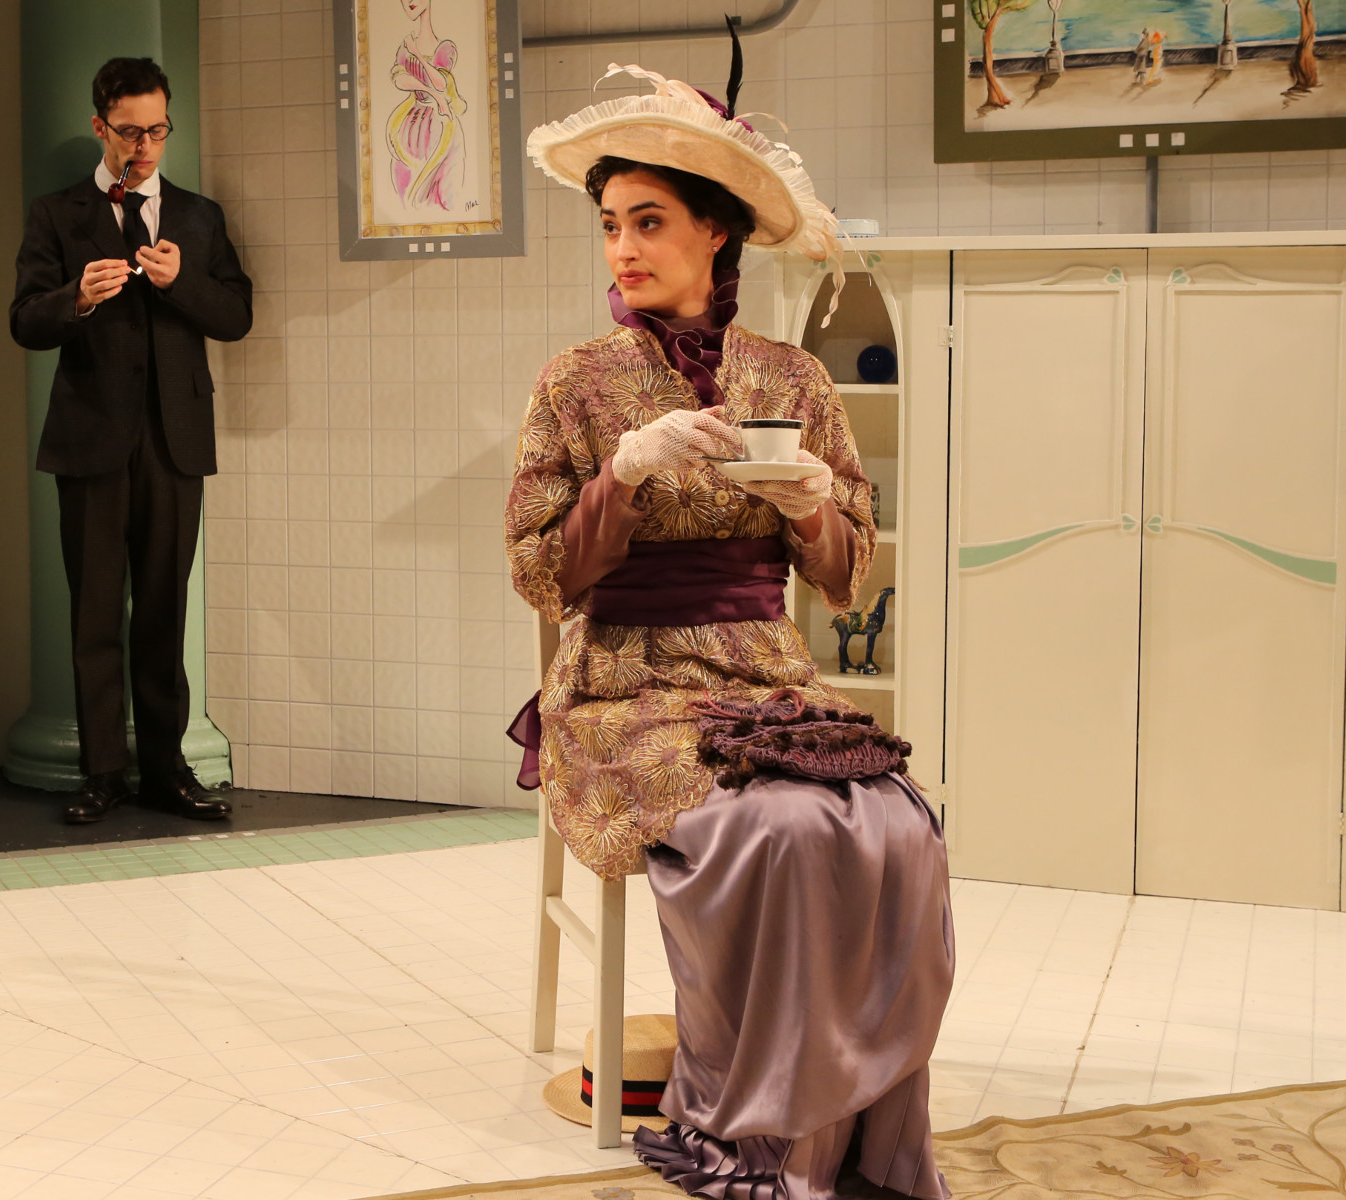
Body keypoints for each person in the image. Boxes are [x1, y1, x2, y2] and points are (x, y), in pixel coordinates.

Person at [509, 61, 955, 1200]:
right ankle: (754, 1115)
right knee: (774, 828)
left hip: (764, 674)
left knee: (895, 823)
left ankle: (844, 1109)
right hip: (621, 683)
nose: (622, 248)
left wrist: (810, 504)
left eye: (648, 222)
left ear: (717, 232)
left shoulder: (793, 379)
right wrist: (618, 474)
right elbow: (537, 573)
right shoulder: (575, 384)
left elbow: (846, 575)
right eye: (610, 225)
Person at [10, 57, 252, 824]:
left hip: (175, 441)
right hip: (88, 441)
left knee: (162, 612)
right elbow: (24, 321)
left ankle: (166, 771)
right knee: (93, 617)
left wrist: (183, 282)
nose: (144, 146)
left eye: (157, 130)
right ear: (100, 127)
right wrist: (75, 299)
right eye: (129, 131)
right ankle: (102, 773)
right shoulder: (56, 214)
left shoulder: (199, 216)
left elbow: (236, 316)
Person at [386, 0, 466, 210]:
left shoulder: (444, 47)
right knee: (404, 183)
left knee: (439, 184)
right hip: (410, 123)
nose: (410, 2)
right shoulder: (405, 46)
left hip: (439, 123)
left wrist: (418, 54)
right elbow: (399, 79)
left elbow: (441, 84)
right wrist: (431, 93)